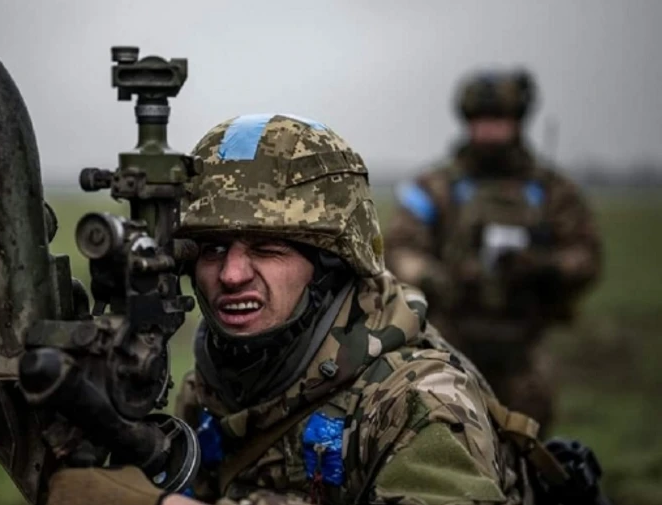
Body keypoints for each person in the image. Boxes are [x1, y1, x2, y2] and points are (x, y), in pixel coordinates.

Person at [47, 113, 579, 505]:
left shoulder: (419, 401)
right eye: (212, 250)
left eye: (267, 249)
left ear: (331, 263)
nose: (231, 274)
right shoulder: (218, 381)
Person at [383, 70, 603, 436]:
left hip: (523, 349)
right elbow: (400, 250)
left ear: (517, 122)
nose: (489, 131)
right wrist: (440, 278)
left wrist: (543, 268)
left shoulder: (551, 190)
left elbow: (585, 255)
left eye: (498, 121)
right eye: (481, 121)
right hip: (447, 345)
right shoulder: (435, 187)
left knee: (528, 446)